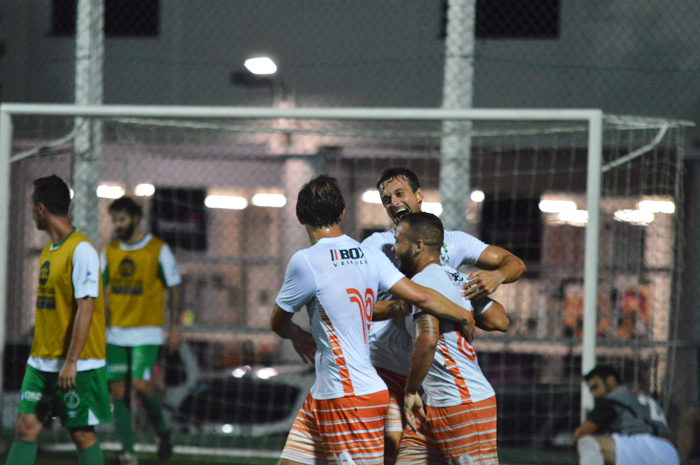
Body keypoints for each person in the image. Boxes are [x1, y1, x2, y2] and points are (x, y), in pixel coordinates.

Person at [270, 175, 477, 465]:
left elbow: (277, 323)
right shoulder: (369, 254)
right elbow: (420, 296)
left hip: (349, 398)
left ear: (299, 215)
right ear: (342, 214)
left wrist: (297, 335)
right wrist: (461, 313)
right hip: (326, 394)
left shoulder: (305, 261)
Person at [362, 167, 525, 464]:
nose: (393, 202)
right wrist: (457, 310)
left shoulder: (449, 254)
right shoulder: (376, 246)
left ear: (419, 195)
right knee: (386, 452)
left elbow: (502, 298)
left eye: (399, 193)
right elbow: (360, 307)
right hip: (388, 371)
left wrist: (494, 278)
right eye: (386, 199)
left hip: (436, 385)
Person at [6, 175, 109, 465]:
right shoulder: (50, 251)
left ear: (41, 209)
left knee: (81, 435)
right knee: (26, 430)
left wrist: (72, 361)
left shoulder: (82, 250)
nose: (30, 213)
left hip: (77, 364)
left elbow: (86, 309)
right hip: (41, 362)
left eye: (30, 207)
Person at [392, 212, 506, 464]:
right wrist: (469, 302)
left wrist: (410, 390)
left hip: (461, 402)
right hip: (433, 404)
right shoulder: (458, 277)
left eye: (399, 241)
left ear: (418, 245)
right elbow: (501, 321)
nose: (394, 248)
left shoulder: (422, 282)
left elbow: (428, 338)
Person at [101, 197, 181, 465]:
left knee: (141, 387)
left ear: (135, 219)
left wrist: (175, 327)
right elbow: (97, 289)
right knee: (118, 391)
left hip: (147, 332)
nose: (117, 225)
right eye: (114, 220)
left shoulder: (157, 249)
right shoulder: (110, 250)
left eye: (121, 219)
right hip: (116, 333)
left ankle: (162, 432)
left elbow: (174, 288)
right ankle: (128, 453)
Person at [573, 365, 679, 465]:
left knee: (587, 443)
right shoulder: (639, 395)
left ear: (611, 380)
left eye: (595, 387)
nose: (594, 393)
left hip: (646, 448)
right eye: (591, 390)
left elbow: (580, 434)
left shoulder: (612, 399)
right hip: (671, 452)